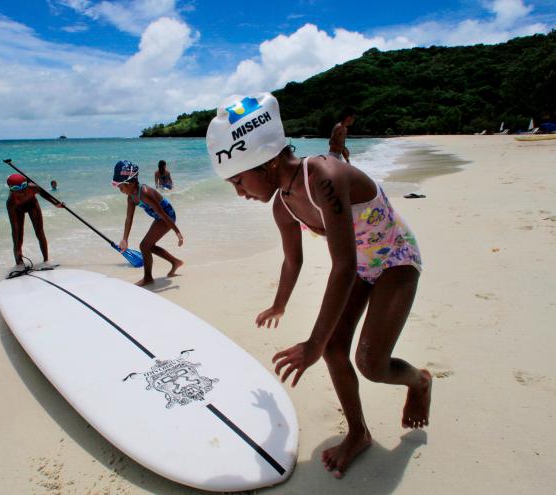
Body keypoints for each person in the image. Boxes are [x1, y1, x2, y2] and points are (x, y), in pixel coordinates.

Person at [206, 93, 431, 478]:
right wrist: (279, 305)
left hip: (395, 259)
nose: (239, 192)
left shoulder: (324, 177)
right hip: (362, 265)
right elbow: (293, 260)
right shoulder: (283, 205)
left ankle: (419, 381)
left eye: (238, 180)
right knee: (336, 349)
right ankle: (358, 433)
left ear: (268, 161)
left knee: (372, 365)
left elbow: (341, 267)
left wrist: (313, 343)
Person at [112, 160, 183, 286]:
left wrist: (177, 232)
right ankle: (175, 262)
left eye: (121, 187)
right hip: (158, 218)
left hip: (167, 216)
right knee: (148, 246)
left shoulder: (145, 193)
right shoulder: (131, 198)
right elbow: (129, 218)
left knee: (144, 246)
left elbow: (162, 213)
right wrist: (125, 239)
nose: (120, 190)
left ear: (130, 183)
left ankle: (148, 277)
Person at [6, 173, 64, 270]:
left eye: (24, 187)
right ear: (11, 189)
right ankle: (19, 264)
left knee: (39, 232)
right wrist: (17, 249)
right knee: (17, 236)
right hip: (17, 210)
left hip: (32, 205)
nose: (22, 192)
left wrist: (56, 204)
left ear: (26, 184)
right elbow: (14, 228)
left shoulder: (32, 187)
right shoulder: (11, 202)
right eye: (17, 189)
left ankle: (46, 261)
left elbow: (45, 194)